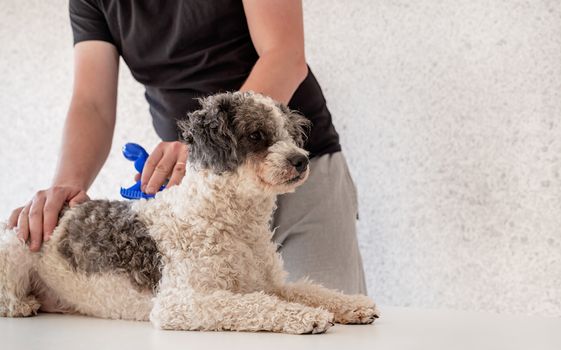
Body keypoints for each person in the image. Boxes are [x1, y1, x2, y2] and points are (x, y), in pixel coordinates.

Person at [7, 0, 367, 295]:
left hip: (300, 174)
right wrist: (66, 189)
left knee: (327, 327)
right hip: (203, 192)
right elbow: (92, 104)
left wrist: (205, 143)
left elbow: (284, 54)